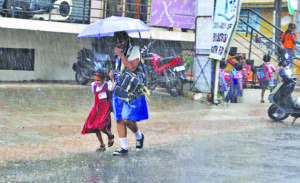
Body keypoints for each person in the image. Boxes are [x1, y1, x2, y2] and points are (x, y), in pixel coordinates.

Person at [110, 31, 148, 156]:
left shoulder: (134, 50)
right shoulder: (119, 52)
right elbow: (120, 69)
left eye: (121, 41)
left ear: (127, 39)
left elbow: (132, 67)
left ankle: (139, 136)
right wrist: (112, 75)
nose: (119, 44)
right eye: (117, 41)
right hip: (119, 87)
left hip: (130, 89)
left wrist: (120, 54)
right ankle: (124, 147)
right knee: (119, 118)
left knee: (127, 118)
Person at [81, 72, 115, 152]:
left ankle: (110, 135)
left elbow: (113, 89)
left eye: (99, 80)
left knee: (101, 125)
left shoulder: (107, 85)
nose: (96, 82)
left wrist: (113, 79)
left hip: (105, 109)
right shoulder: (94, 85)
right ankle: (102, 145)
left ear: (104, 79)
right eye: (95, 80)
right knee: (94, 127)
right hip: (96, 109)